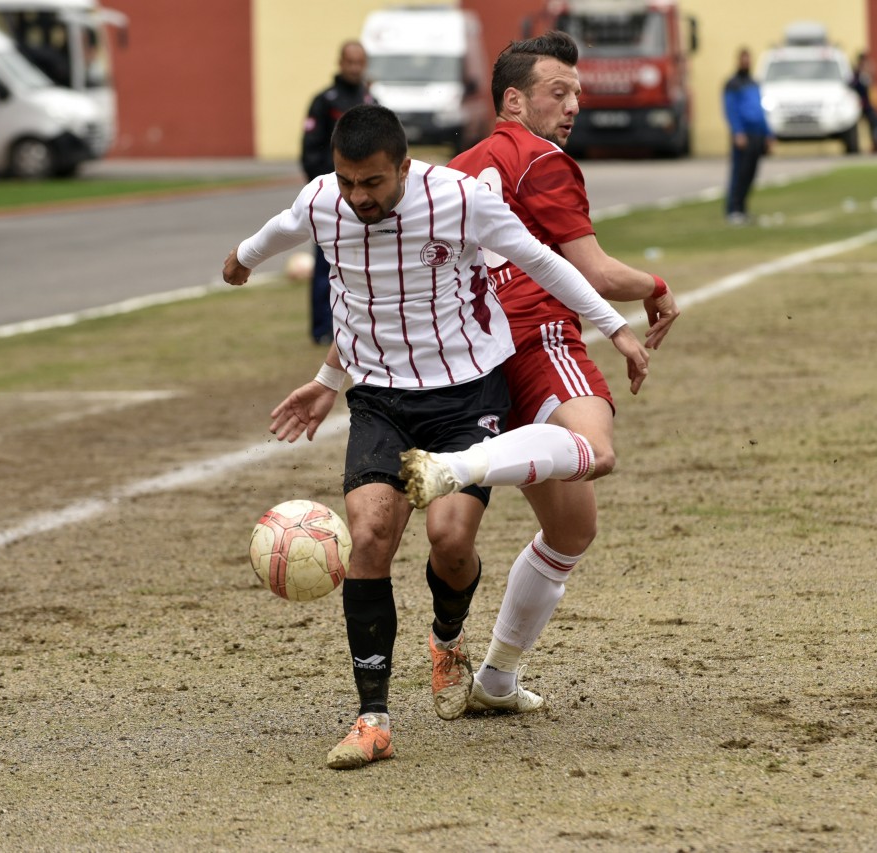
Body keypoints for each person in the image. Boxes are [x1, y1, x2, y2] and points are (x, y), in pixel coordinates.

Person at [221, 104, 650, 770]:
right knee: (368, 536)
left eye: (372, 183)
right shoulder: (324, 202)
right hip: (379, 399)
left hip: (466, 392)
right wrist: (243, 260)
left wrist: (616, 327)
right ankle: (373, 717)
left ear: (403, 166)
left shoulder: (459, 199)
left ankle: (446, 637)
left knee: (451, 542)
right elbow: (282, 227)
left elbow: (543, 263)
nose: (358, 197)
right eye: (347, 182)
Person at [409, 30, 679, 716]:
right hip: (537, 339)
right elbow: (591, 270)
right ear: (512, 100)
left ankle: (493, 678)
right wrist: (653, 284)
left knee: (565, 529)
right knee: (597, 451)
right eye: (558, 92)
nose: (573, 106)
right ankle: (463, 468)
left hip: (464, 361)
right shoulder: (542, 160)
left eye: (577, 94)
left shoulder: (452, 171)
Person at [300, 40, 376, 345]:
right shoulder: (324, 101)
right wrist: (330, 189)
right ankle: (322, 329)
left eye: (360, 62)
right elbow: (310, 152)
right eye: (350, 62)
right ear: (340, 62)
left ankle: (362, 328)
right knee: (324, 264)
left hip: (369, 202)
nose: (354, 68)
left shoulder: (371, 102)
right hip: (334, 198)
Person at [721, 48, 771, 225]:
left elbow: (760, 110)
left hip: (757, 133)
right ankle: (733, 209)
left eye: (748, 59)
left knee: (751, 174)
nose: (746, 62)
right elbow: (731, 110)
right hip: (744, 134)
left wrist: (768, 133)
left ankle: (743, 208)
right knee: (739, 172)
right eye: (743, 59)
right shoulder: (733, 84)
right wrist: (738, 131)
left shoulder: (754, 83)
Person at [852, 52, 877, 153]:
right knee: (876, 124)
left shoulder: (867, 75)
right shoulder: (858, 76)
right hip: (863, 106)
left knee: (876, 124)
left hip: (870, 105)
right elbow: (856, 88)